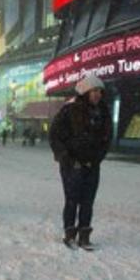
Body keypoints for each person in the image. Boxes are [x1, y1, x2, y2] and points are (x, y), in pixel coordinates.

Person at [48, 74, 112, 250]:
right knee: (72, 199)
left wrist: (97, 157)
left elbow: (106, 139)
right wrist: (65, 156)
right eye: (93, 91)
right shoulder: (69, 110)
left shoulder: (104, 112)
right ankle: (70, 233)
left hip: (92, 164)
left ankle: (84, 235)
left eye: (99, 91)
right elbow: (55, 136)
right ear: (85, 92)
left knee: (88, 201)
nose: (97, 94)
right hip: (72, 164)